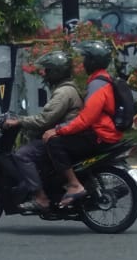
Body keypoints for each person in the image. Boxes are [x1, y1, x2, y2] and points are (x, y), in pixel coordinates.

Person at [39, 41, 123, 207]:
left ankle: (74, 184)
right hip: (105, 132)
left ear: (93, 61)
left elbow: (86, 119)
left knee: (53, 141)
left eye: (85, 58)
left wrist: (59, 130)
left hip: (100, 134)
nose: (83, 62)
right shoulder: (103, 79)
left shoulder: (97, 85)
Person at [3, 50, 81, 209]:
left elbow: (45, 120)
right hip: (65, 136)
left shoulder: (63, 93)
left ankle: (41, 197)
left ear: (57, 72)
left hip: (60, 138)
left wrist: (20, 121)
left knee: (22, 155)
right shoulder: (68, 89)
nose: (45, 74)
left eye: (48, 70)